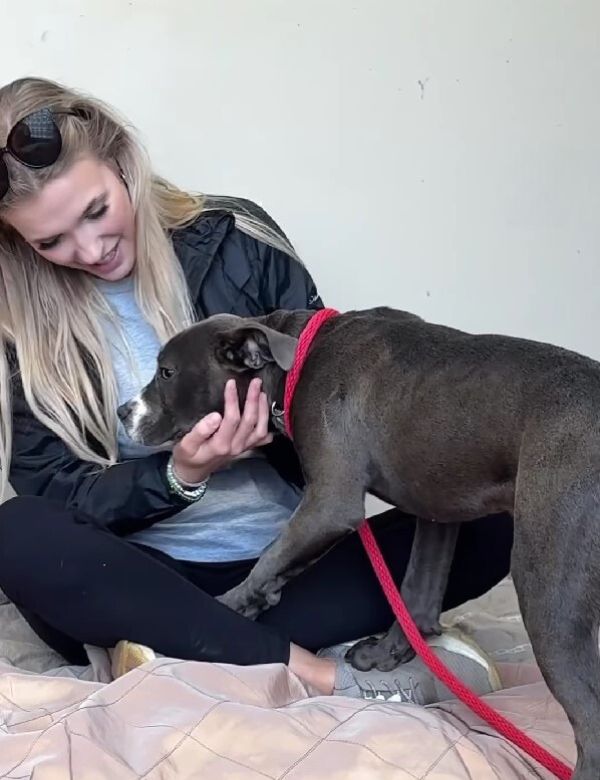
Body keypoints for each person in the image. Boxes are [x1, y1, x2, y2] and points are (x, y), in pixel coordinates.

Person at [0, 77, 514, 701]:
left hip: (294, 567)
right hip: (137, 576)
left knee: (497, 511)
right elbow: (58, 492)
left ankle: (176, 650)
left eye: (96, 210)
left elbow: (350, 412)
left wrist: (272, 431)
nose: (89, 247)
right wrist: (178, 476)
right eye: (50, 242)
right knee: (18, 532)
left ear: (121, 163)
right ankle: (322, 674)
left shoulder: (237, 239)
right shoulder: (19, 327)